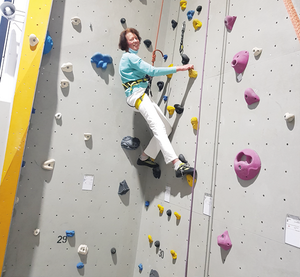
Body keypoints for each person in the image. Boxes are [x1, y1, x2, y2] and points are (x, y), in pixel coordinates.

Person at [118, 28, 195, 178]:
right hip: (139, 96)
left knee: (166, 128)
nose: (135, 41)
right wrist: (180, 68)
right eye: (130, 39)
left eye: (136, 38)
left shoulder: (129, 58)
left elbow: (146, 73)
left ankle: (145, 157)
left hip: (141, 96)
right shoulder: (129, 57)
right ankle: (177, 164)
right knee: (159, 127)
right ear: (125, 43)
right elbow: (152, 71)